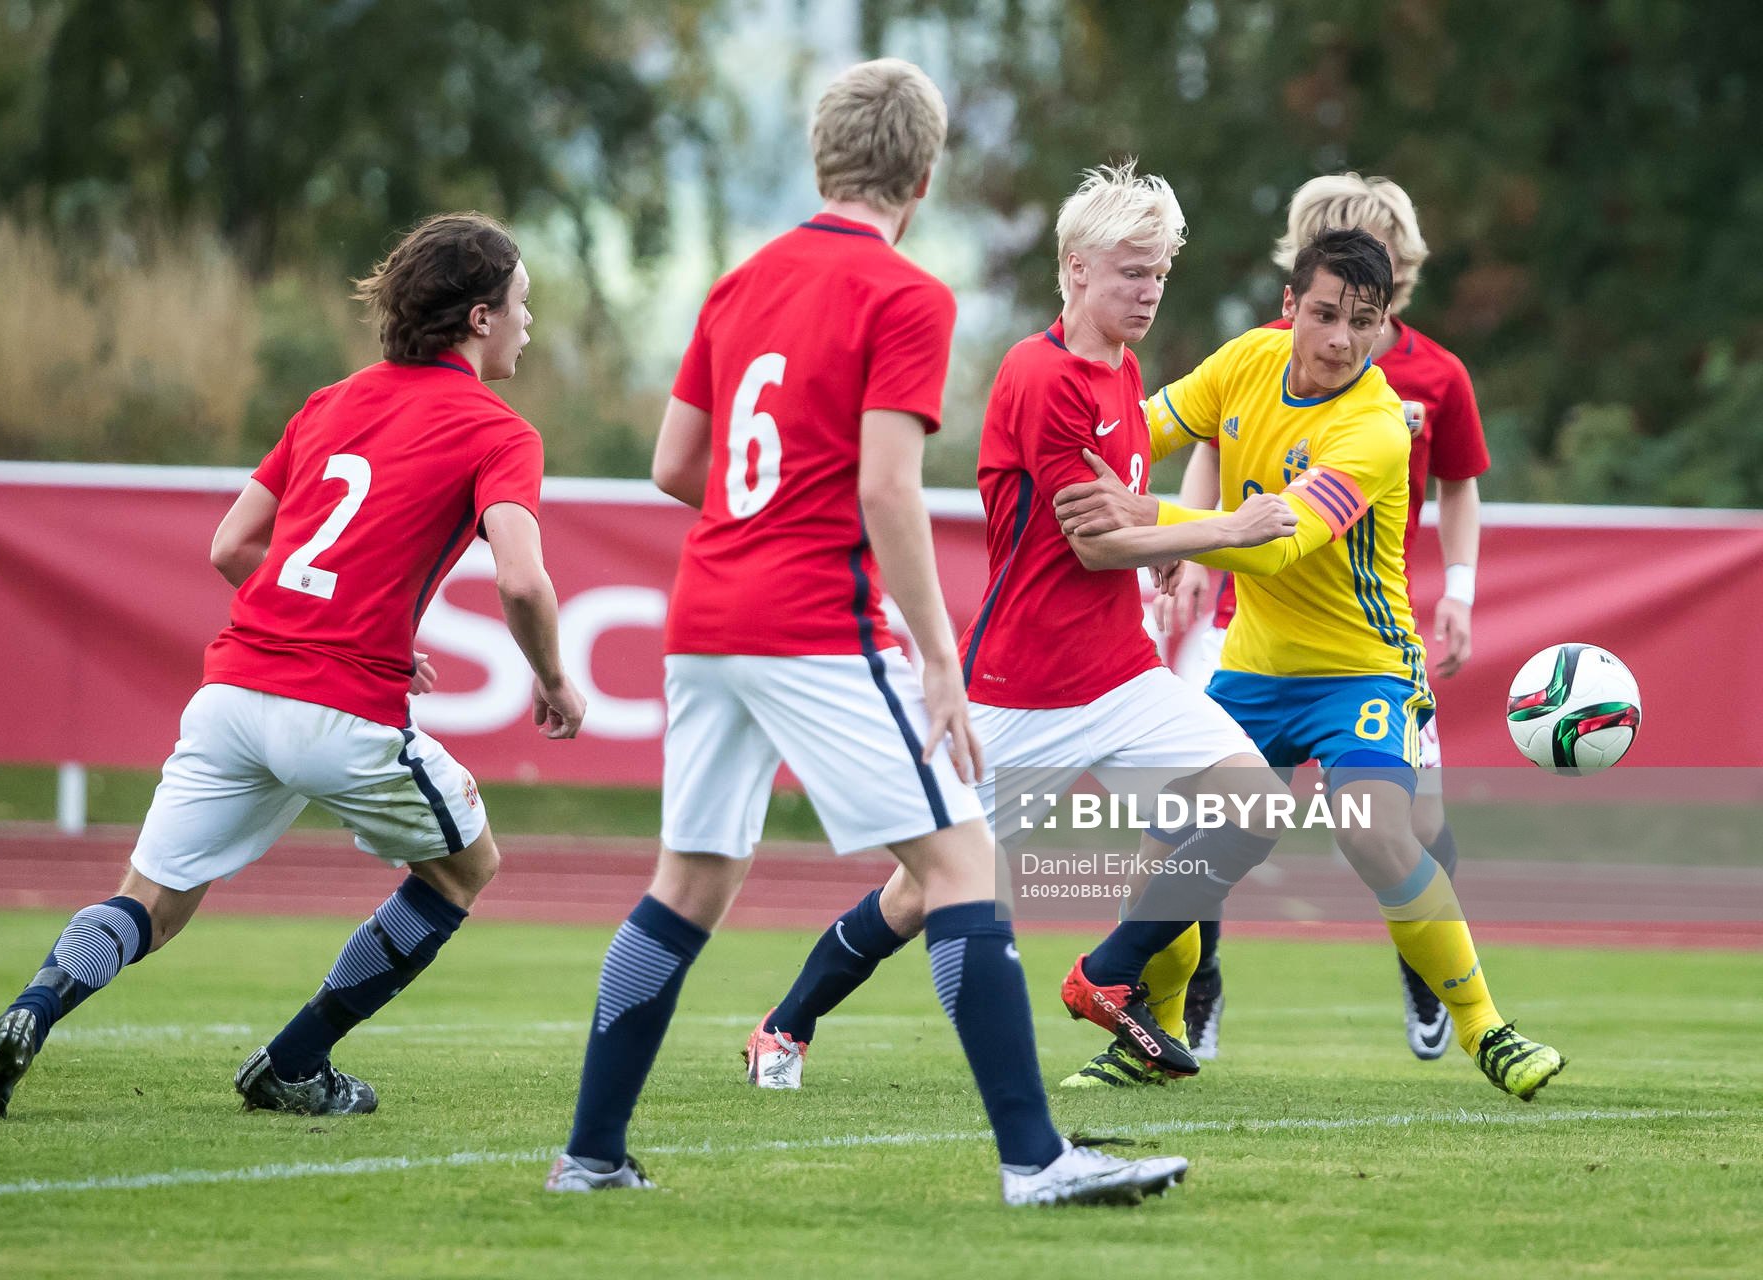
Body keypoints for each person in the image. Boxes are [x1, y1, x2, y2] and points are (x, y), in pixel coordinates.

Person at [543, 62, 1188, 1206]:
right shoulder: (906, 294)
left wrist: (761, 516)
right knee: (961, 862)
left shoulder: (739, 283)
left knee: (687, 883)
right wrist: (939, 657)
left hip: (703, 615)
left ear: (821, 159)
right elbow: (888, 489)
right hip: (807, 617)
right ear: (924, 175)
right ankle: (1037, 1160)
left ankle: (590, 1153)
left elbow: (674, 464)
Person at [0, 212, 586, 1119]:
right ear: (480, 318)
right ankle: (294, 1062)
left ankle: (30, 1012)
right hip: (342, 711)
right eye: (522, 302)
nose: (529, 321)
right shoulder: (500, 430)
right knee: (463, 869)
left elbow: (232, 546)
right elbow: (520, 579)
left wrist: (346, 618)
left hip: (235, 693)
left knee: (150, 901)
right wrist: (554, 680)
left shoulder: (331, 402)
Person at [741, 161, 1297, 1095]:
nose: (1150, 290)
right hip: (1022, 691)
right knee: (920, 891)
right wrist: (1218, 533)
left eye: (1160, 273)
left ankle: (1107, 973)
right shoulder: (1040, 374)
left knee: (1257, 807)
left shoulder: (1124, 373)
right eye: (1132, 270)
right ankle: (784, 1025)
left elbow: (1116, 516)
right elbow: (1090, 545)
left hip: (1122, 674)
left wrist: (1161, 535)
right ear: (1076, 268)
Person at [1054, 227, 1563, 1100]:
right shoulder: (1244, 361)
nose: (1340, 339)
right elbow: (1141, 429)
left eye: (1363, 322)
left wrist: (1154, 523)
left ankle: (1486, 1028)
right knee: (1166, 844)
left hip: (1363, 668)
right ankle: (1151, 1038)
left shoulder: (1377, 426)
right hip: (1252, 668)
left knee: (1373, 829)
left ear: (1384, 323)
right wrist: (1060, 444)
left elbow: (1277, 543)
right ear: (1289, 305)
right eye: (1325, 314)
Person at [1159, 175, 1492, 1063]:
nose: (1341, 326)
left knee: (1410, 826)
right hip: (1250, 619)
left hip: (1365, 637)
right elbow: (1209, 443)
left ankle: (1429, 968)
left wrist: (1459, 590)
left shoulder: (1432, 375)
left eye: (1384, 256)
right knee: (1201, 812)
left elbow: (1459, 487)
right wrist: (1190, 549)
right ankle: (1197, 985)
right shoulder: (1266, 353)